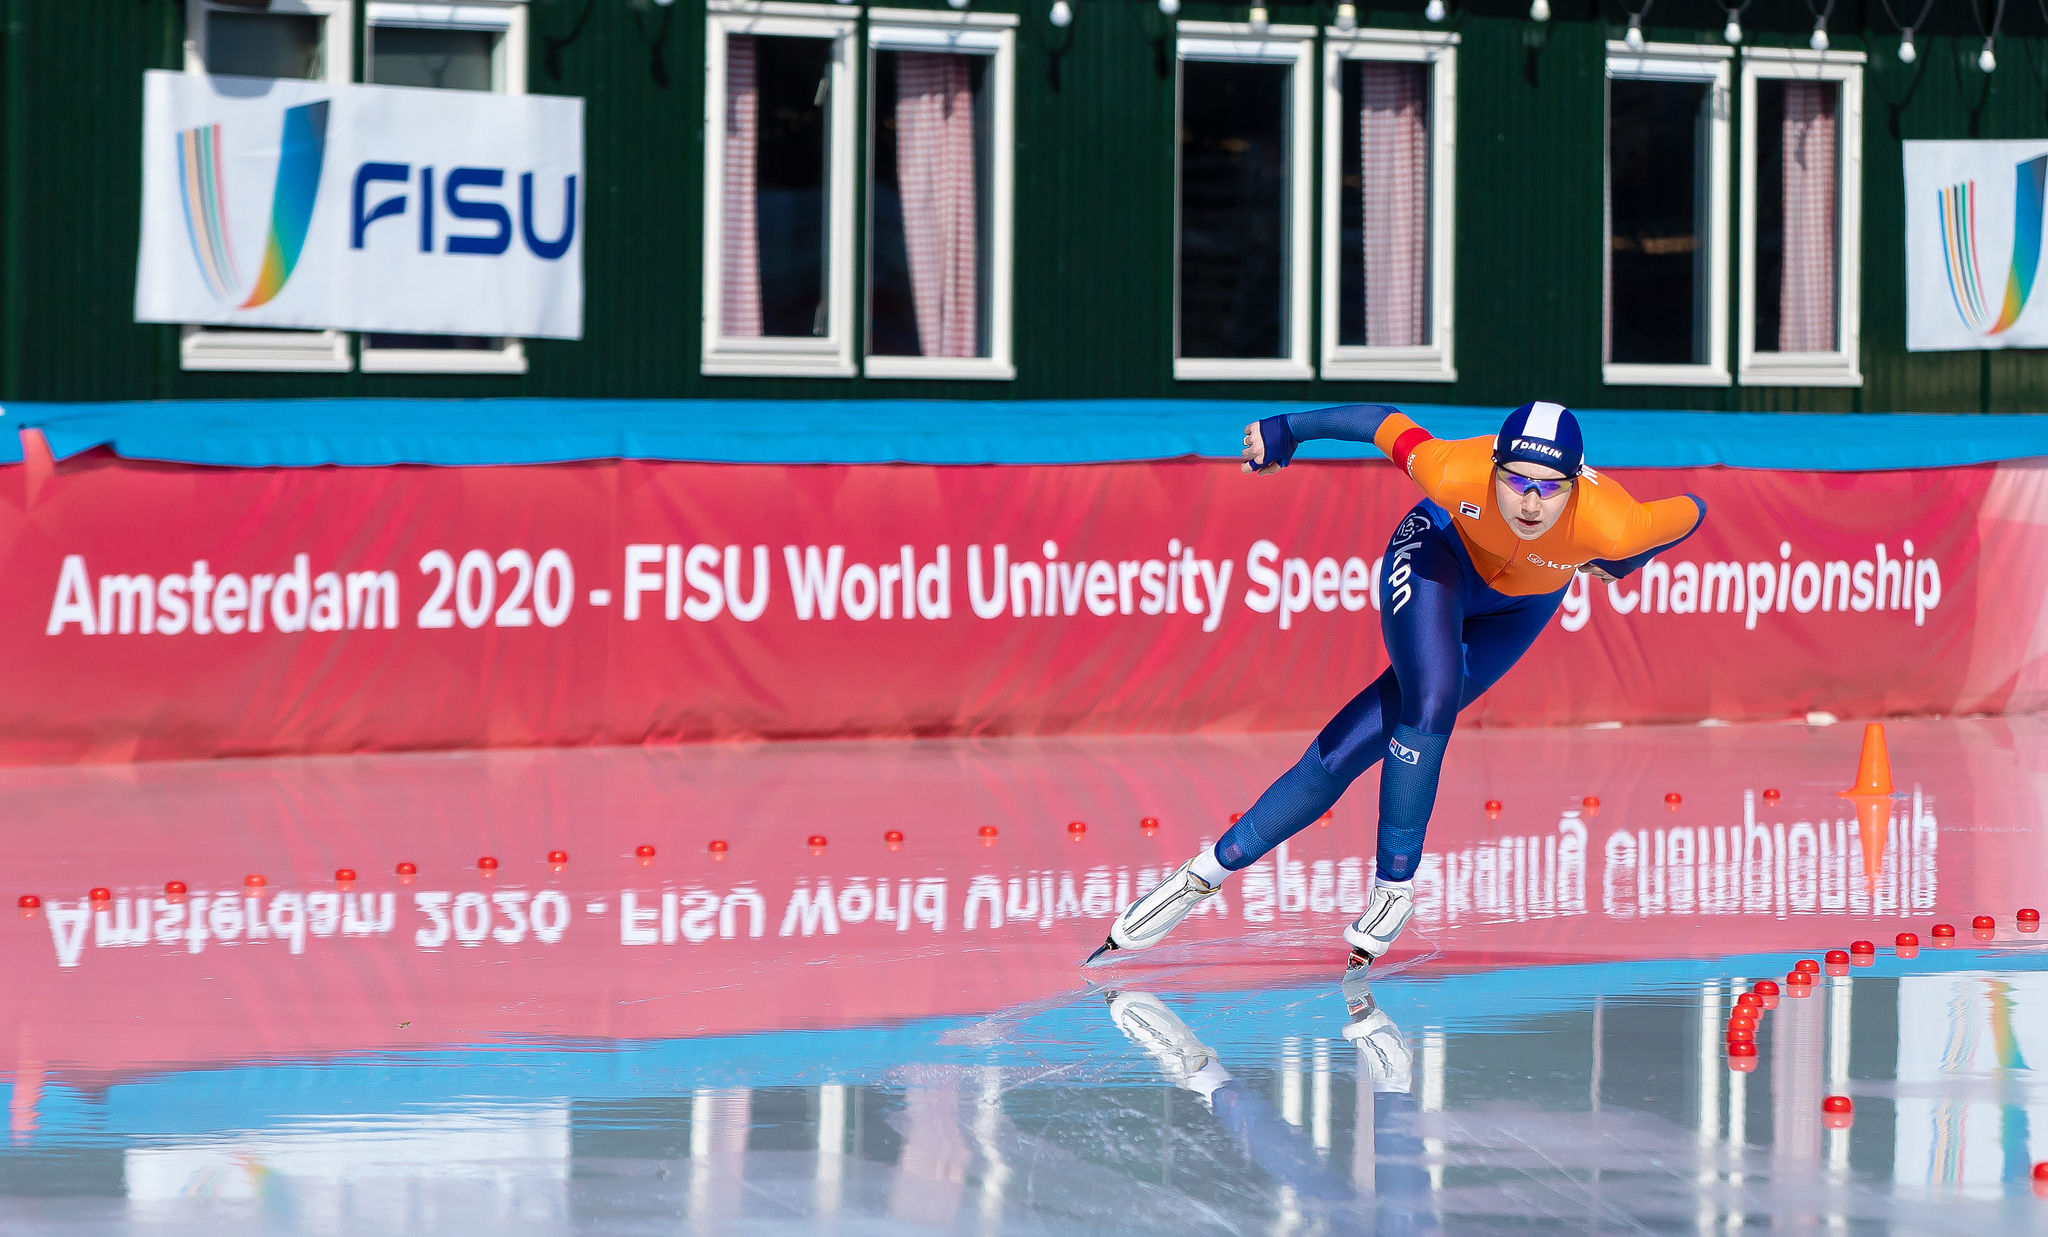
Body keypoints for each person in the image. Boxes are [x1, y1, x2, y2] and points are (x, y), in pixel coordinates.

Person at [1090, 401, 1705, 969]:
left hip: (1520, 609)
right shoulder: (1453, 469)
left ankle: (1205, 870)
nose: (1529, 503)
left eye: (1548, 490)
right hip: (1439, 554)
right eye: (1515, 480)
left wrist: (1631, 559)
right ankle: (1394, 888)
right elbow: (1384, 423)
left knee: (1370, 736)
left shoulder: (1617, 522)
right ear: (1492, 469)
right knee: (1433, 700)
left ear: (1573, 488)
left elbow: (1692, 511)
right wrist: (1286, 432)